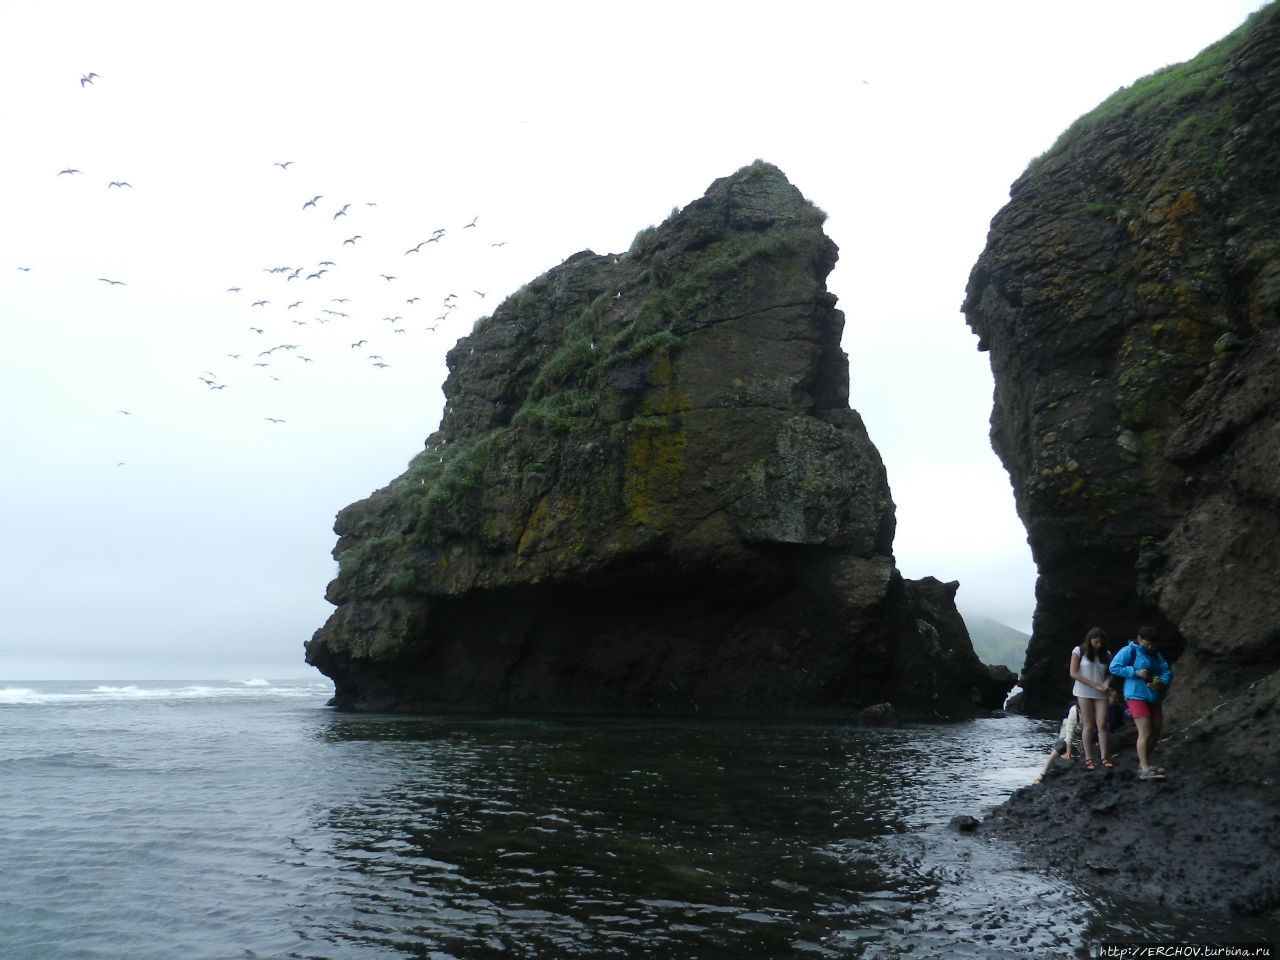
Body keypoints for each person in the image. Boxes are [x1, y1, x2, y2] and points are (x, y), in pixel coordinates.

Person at [1109, 625, 1172, 780]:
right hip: (1135, 695)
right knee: (1145, 731)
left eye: (1152, 644)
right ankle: (1144, 769)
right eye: (1147, 643)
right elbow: (1114, 667)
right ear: (1139, 639)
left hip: (1152, 696)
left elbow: (1165, 671)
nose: (1150, 647)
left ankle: (1147, 764)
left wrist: (1159, 682)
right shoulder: (1129, 651)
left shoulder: (1155, 655)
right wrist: (1134, 672)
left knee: (1155, 731)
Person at [1069, 626, 1113, 769]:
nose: (1098, 645)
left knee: (1102, 723)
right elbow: (1073, 673)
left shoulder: (1106, 654)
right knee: (1088, 724)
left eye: (1100, 642)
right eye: (1095, 642)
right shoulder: (1078, 651)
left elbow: (1112, 672)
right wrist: (1095, 685)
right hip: (1083, 692)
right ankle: (1088, 758)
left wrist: (1106, 683)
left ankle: (1104, 756)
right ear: (1089, 640)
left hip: (1101, 693)